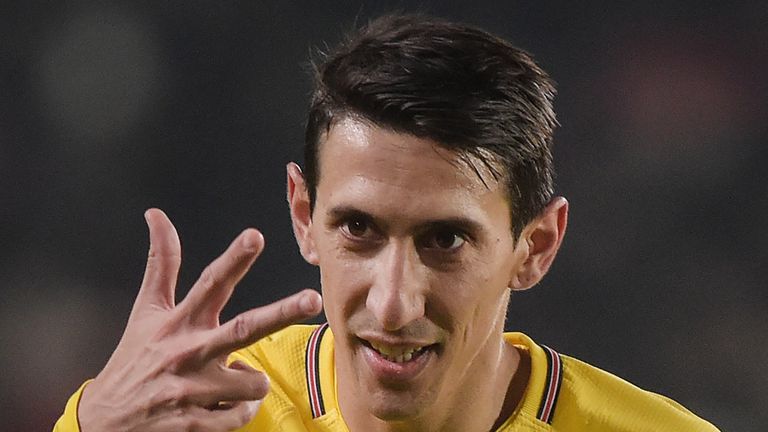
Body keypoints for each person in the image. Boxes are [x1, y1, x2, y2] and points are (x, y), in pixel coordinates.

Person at [54, 14, 719, 432]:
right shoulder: (188, 418)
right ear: (303, 214)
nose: (393, 304)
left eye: (445, 239)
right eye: (359, 230)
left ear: (535, 247)